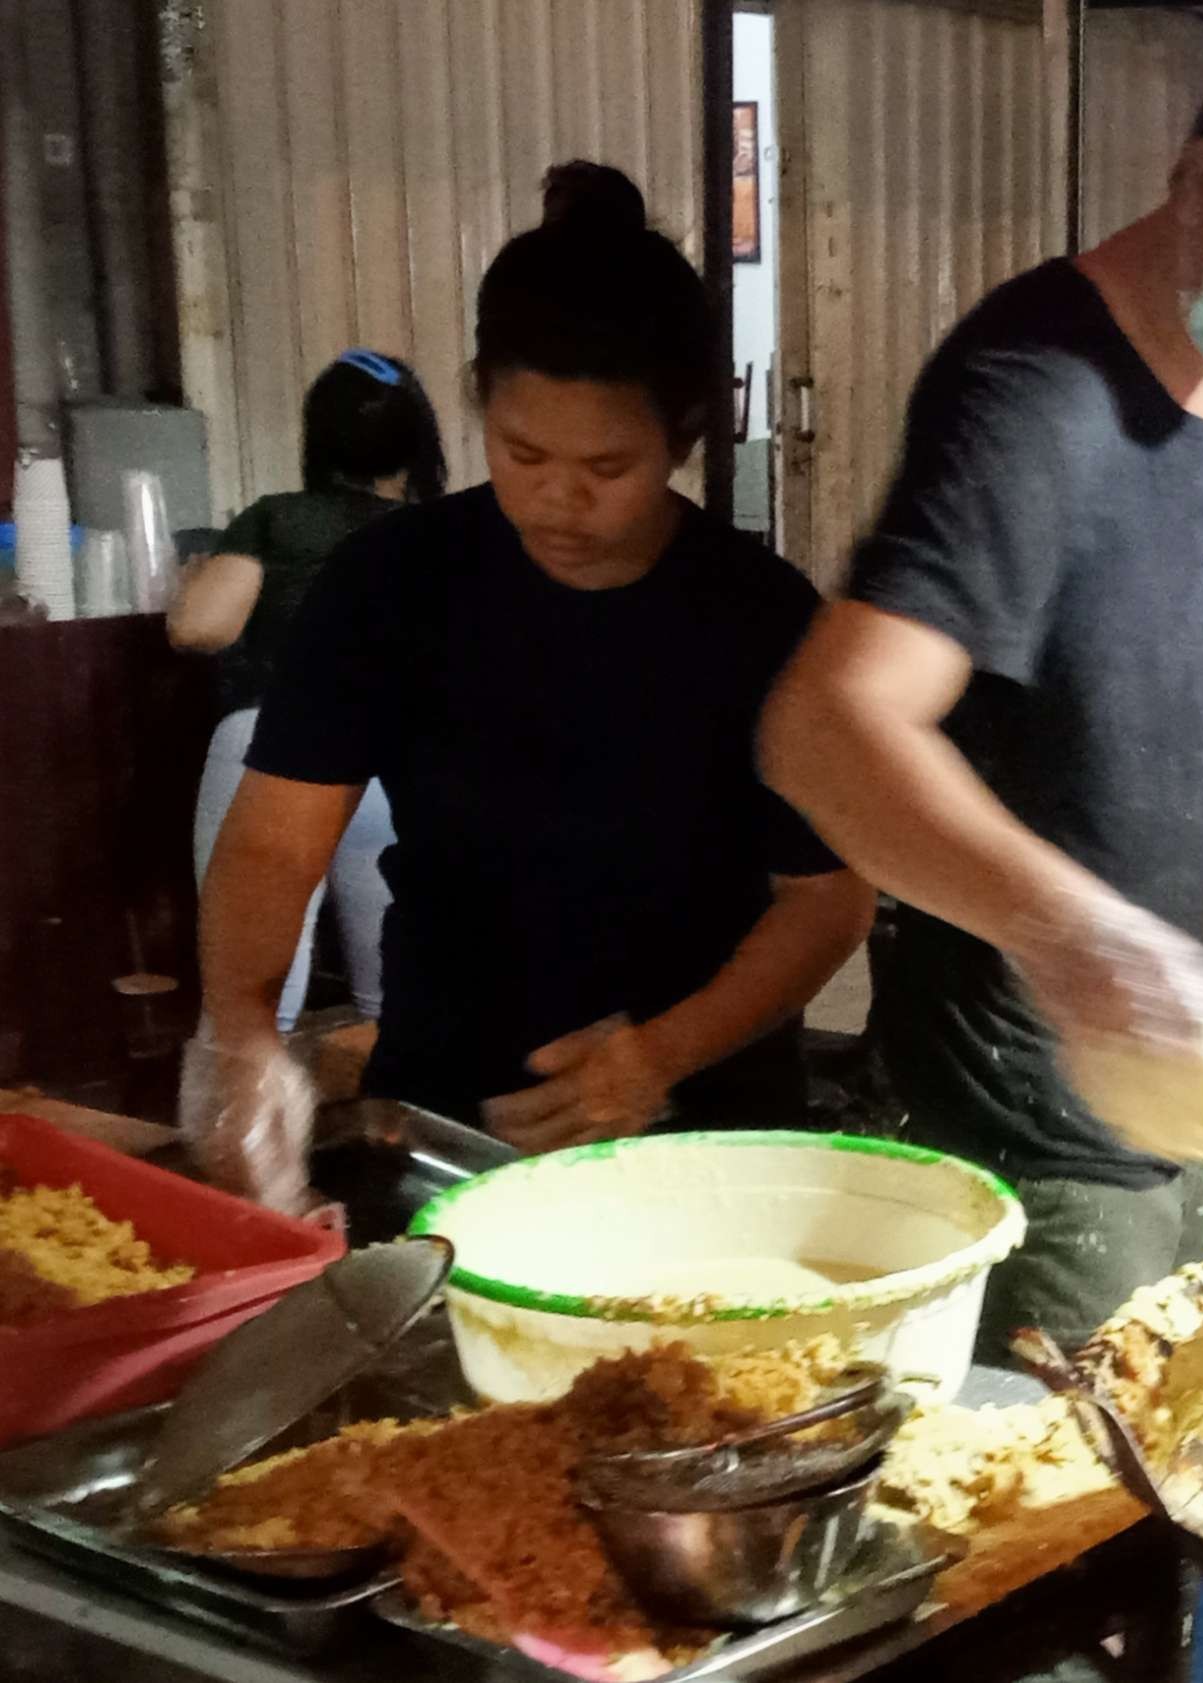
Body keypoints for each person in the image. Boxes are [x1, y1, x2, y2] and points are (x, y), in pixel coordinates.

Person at [761, 0, 1203, 1356]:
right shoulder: (1033, 397)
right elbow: (825, 725)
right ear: (1198, 179)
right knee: (1085, 1504)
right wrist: (1074, 935)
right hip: (1028, 1112)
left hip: (1198, 1092)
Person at [197, 163, 875, 1187]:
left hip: (705, 1131)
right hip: (448, 1121)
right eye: (521, 453)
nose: (558, 501)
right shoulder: (391, 583)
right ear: (476, 403)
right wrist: (243, 1036)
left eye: (607, 470)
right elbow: (271, 850)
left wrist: (656, 1058)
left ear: (686, 436)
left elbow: (826, 902)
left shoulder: (758, 614)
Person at [174, 350, 444, 1032]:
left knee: (251, 1018)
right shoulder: (440, 535)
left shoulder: (277, 520)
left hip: (267, 752)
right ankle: (388, 1133)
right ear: (418, 443)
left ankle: (244, 1139)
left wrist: (197, 576)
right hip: (401, 767)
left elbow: (200, 626)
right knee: (395, 1010)